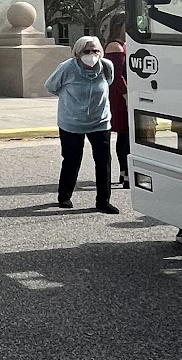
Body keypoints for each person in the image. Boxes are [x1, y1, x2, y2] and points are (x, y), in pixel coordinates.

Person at [44, 35, 119, 213]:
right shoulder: (67, 68)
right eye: (87, 51)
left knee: (103, 161)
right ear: (78, 53)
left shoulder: (106, 67)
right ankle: (64, 196)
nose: (91, 54)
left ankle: (103, 201)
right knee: (72, 160)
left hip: (99, 121)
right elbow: (51, 86)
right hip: (71, 122)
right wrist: (71, 103)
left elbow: (109, 82)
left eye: (95, 51)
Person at [104, 13, 130, 188]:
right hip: (119, 96)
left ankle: (125, 172)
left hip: (124, 94)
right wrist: (126, 95)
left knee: (126, 135)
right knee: (125, 134)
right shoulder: (115, 46)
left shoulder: (125, 45)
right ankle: (125, 171)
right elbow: (118, 75)